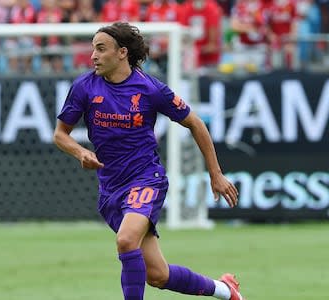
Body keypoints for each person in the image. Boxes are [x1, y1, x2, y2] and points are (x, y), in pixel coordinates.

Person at [53, 22, 244, 300]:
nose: (93, 55)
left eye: (100, 48)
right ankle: (226, 290)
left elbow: (195, 123)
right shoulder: (84, 87)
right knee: (157, 275)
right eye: (93, 48)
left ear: (122, 53)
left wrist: (215, 174)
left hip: (146, 179)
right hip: (111, 188)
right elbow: (60, 134)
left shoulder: (150, 89)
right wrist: (80, 151)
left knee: (126, 240)